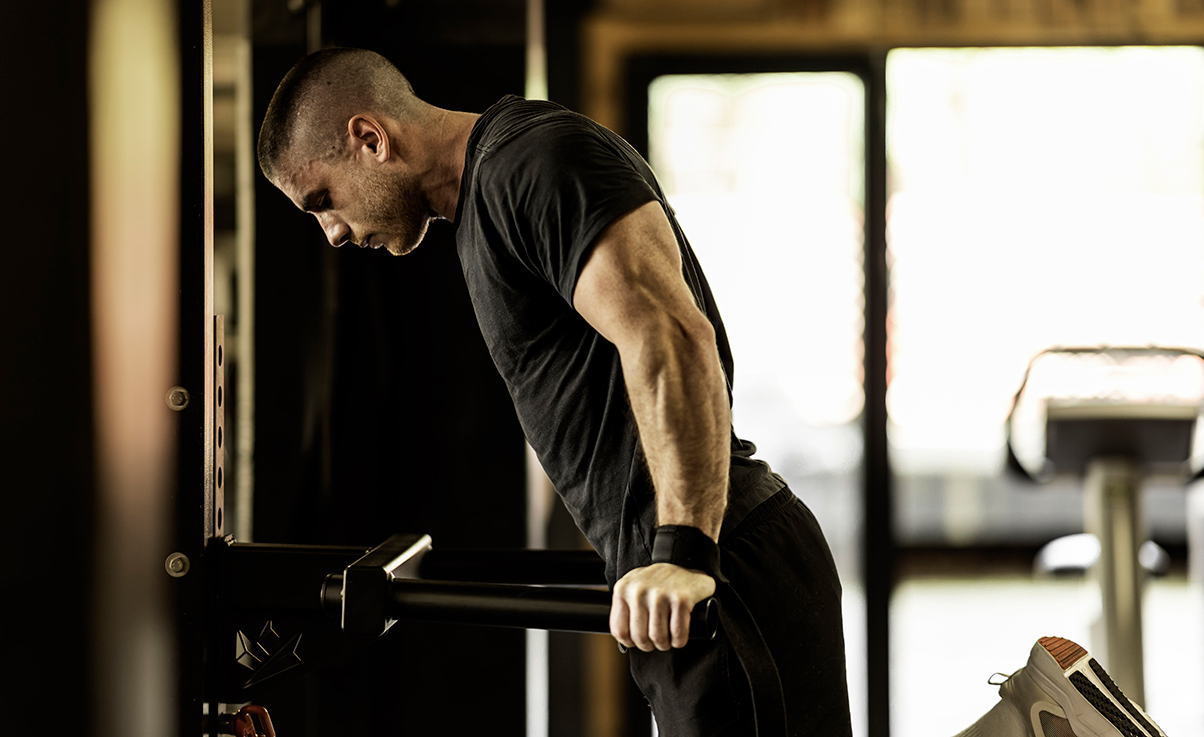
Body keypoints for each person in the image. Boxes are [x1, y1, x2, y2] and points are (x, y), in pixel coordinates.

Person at [256, 48, 1169, 737]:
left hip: (718, 571)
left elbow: (670, 334)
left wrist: (684, 550)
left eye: (321, 200)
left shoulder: (533, 162)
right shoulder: (488, 205)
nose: (331, 232)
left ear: (368, 137)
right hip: (693, 578)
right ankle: (1036, 722)